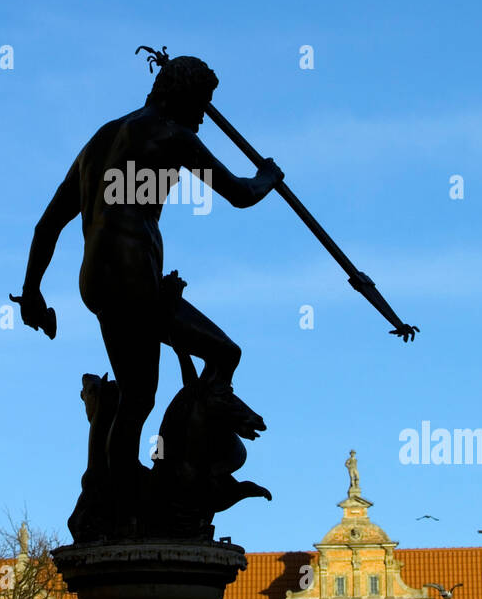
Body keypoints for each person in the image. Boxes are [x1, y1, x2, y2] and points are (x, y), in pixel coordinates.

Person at [15, 55, 283, 525]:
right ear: (182, 95)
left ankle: (123, 497)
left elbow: (48, 224)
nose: (203, 115)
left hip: (97, 280)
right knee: (224, 354)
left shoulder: (100, 139)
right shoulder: (173, 136)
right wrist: (269, 177)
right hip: (134, 276)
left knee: (137, 398)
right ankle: (187, 475)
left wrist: (32, 290)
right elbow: (239, 193)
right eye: (202, 103)